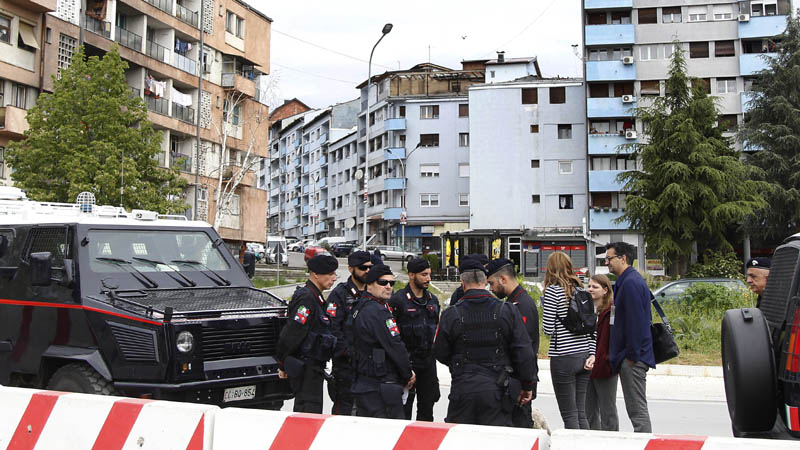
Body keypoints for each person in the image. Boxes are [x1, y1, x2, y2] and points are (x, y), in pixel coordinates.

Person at [434, 258, 536, 426]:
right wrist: (527, 384)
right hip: (497, 391)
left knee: (460, 439)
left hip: (463, 388)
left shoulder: (451, 314)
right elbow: (524, 352)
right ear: (485, 282)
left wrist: (458, 364)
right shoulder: (507, 310)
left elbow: (440, 352)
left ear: (463, 283)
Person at [349, 264, 415, 418]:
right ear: (369, 284)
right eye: (383, 282)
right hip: (380, 385)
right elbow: (395, 346)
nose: (388, 287)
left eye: (392, 283)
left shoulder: (359, 307)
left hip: (364, 383)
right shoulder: (378, 312)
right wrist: (408, 373)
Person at [276, 254, 339, 413]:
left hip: (314, 367)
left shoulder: (316, 298)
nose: (334, 278)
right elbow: (291, 333)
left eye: (334, 274)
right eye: (330, 274)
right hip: (306, 368)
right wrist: (282, 363)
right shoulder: (307, 299)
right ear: (315, 274)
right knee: (308, 412)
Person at [541, 251, 595, 430]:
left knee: (569, 415)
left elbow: (548, 330)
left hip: (563, 357)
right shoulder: (582, 290)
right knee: (581, 413)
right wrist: (592, 353)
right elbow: (591, 327)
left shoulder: (552, 292)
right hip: (585, 356)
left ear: (550, 269)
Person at [605, 241, 655, 433]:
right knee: (634, 409)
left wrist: (631, 357)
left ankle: (645, 443)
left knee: (637, 410)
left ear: (623, 258)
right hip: (629, 356)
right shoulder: (625, 281)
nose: (607, 263)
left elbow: (636, 322)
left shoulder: (631, 283)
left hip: (633, 358)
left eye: (609, 258)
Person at [486, 258, 540, 428]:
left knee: (520, 431)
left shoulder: (521, 305)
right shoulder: (513, 303)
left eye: (492, 283)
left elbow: (524, 350)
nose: (491, 288)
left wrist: (526, 384)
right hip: (515, 380)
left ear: (503, 279)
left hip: (519, 382)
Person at [388, 257, 440, 421]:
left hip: (428, 364)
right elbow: (392, 337)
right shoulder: (398, 301)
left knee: (427, 413)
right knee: (403, 412)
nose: (428, 279)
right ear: (411, 275)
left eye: (429, 274)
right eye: (424, 275)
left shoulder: (433, 300)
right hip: (406, 364)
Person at [325, 250, 372, 415]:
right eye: (363, 268)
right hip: (346, 366)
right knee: (344, 411)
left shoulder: (373, 291)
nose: (367, 271)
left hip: (368, 366)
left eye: (369, 267)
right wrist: (347, 352)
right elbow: (332, 328)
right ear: (351, 268)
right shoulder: (340, 294)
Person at [585, 274, 619, 431]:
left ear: (605, 290)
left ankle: (612, 442)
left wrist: (608, 359)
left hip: (605, 366)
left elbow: (612, 338)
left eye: (594, 287)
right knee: (588, 411)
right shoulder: (584, 308)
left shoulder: (611, 311)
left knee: (608, 410)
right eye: (589, 286)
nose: (590, 289)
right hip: (586, 366)